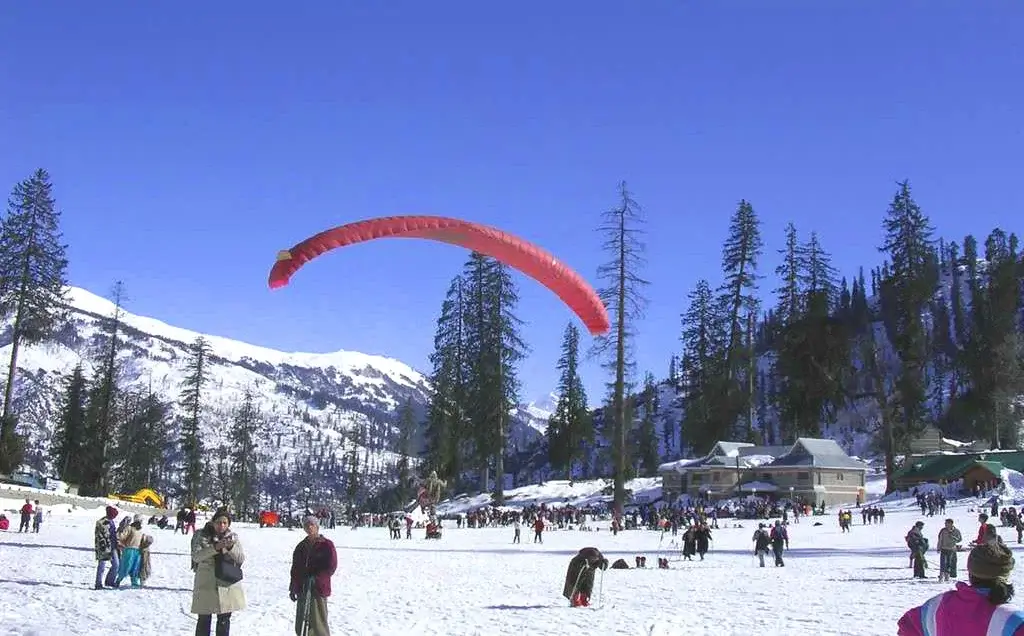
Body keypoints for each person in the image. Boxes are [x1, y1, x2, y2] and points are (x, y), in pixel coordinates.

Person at [897, 541, 1024, 635]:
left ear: (970, 571)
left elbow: (908, 627)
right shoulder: (1013, 620)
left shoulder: (938, 605)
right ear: (1006, 575)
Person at [191, 508, 246, 636]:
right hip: (207, 583)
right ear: (213, 522)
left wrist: (230, 547)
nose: (221, 526)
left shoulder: (232, 538)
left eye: (225, 523)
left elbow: (241, 558)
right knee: (204, 620)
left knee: (224, 621)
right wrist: (215, 548)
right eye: (219, 522)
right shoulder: (201, 535)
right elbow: (196, 556)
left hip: (226, 583)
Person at [289, 515, 338, 636]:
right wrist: (293, 587)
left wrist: (317, 578)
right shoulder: (301, 546)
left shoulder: (326, 545)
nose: (309, 527)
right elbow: (295, 568)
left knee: (318, 622)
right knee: (302, 622)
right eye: (306, 525)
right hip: (303, 588)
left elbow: (331, 566)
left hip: (318, 589)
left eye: (312, 525)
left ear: (317, 527)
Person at [94, 506, 119, 589]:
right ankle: (98, 584)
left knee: (116, 565)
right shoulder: (102, 522)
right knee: (101, 566)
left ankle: (109, 581)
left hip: (113, 547)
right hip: (103, 547)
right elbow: (101, 536)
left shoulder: (111, 522)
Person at [936, 518, 963, 582]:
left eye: (946, 523)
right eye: (945, 523)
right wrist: (938, 547)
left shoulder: (956, 531)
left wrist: (953, 537)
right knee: (943, 563)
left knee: (949, 563)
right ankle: (941, 576)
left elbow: (959, 539)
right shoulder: (943, 531)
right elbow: (940, 540)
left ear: (951, 524)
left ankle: (947, 577)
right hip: (944, 548)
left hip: (951, 549)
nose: (945, 525)